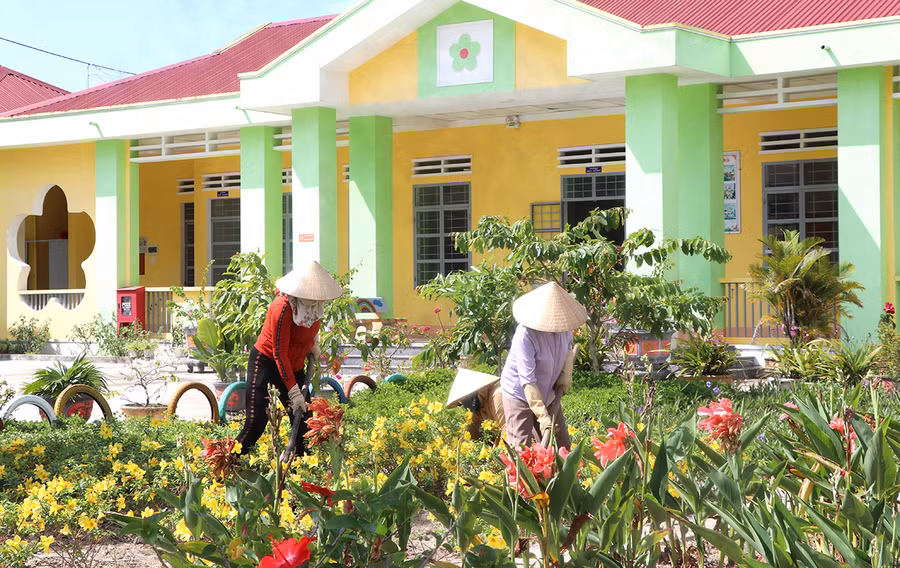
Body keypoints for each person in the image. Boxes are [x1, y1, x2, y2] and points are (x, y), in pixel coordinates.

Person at [235, 260, 342, 457]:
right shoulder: (282, 308)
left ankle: (300, 470)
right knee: (256, 422)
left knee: (304, 423)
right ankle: (229, 462)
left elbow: (309, 330)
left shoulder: (314, 306)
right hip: (267, 363)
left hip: (294, 366)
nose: (316, 298)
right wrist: (293, 392)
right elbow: (279, 353)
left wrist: (313, 345)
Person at [500, 282, 585, 450]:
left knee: (562, 447)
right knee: (521, 449)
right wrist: (542, 416)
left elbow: (568, 351)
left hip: (549, 392)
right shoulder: (526, 335)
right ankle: (522, 468)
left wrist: (566, 375)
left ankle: (555, 468)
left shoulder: (565, 329)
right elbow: (527, 381)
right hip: (520, 394)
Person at [446, 368, 506, 441]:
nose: (464, 404)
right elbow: (472, 434)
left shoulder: (497, 396)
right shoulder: (477, 408)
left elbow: (507, 431)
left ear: (473, 392)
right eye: (460, 403)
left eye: (463, 399)